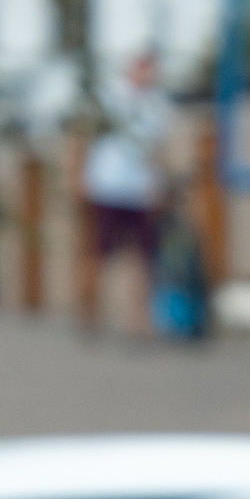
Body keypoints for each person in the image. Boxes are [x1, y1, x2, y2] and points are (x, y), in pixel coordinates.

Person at [80, 51, 171, 337]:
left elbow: (158, 149)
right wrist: (81, 178)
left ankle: (138, 319)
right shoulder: (108, 99)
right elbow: (84, 138)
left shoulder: (158, 104)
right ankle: (92, 314)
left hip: (140, 191)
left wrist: (158, 185)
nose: (146, 74)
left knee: (142, 257)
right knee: (100, 253)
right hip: (107, 187)